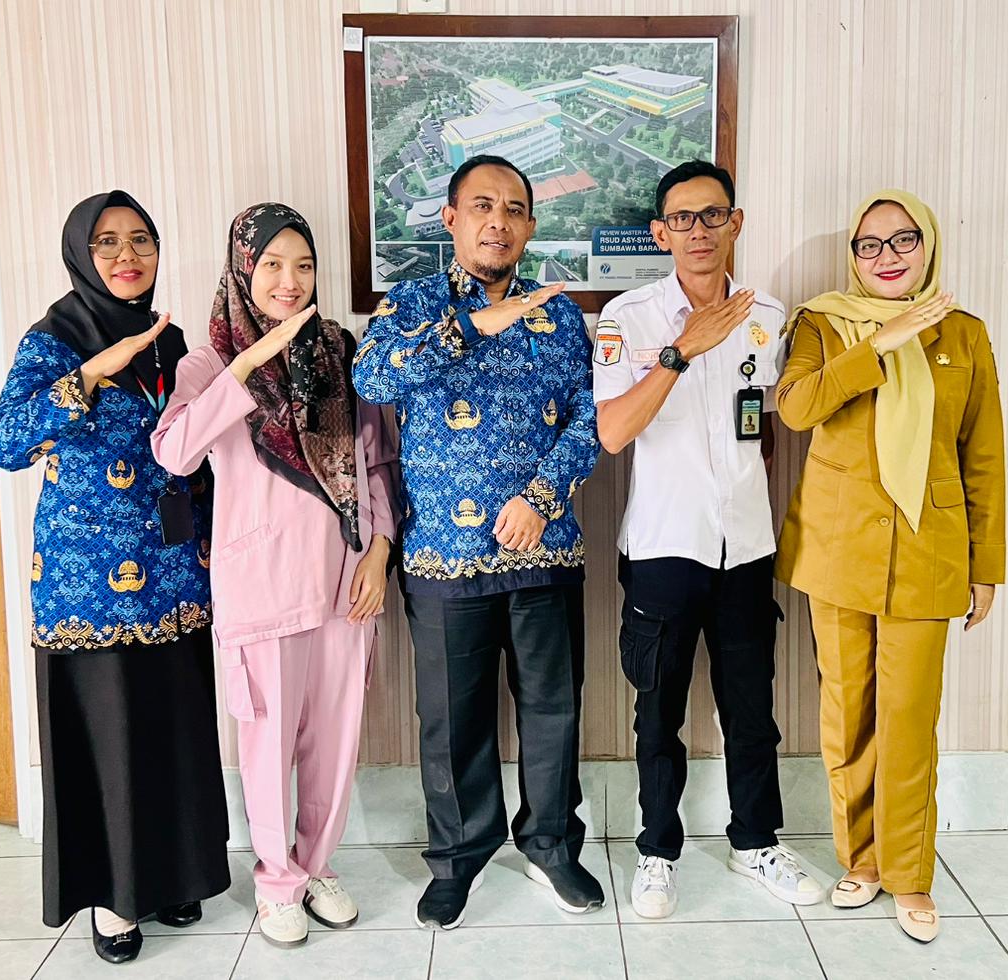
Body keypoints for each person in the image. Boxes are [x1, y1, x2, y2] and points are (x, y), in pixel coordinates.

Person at [353, 155, 603, 930]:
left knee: (552, 711)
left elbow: (590, 415)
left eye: (515, 208)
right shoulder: (411, 304)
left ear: (530, 224)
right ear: (451, 218)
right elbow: (372, 380)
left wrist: (540, 498)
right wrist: (468, 328)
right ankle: (458, 858)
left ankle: (552, 846)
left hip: (544, 548)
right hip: (443, 556)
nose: (499, 220)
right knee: (451, 720)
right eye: (483, 205)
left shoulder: (559, 314)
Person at [0, 191, 229, 965]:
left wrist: (215, 541)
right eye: (108, 242)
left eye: (141, 240)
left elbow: (197, 450)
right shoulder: (55, 339)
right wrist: (92, 373)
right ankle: (114, 898)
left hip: (174, 570)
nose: (128, 256)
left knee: (172, 728)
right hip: (86, 580)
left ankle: (175, 875)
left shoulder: (171, 340)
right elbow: (4, 442)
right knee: (109, 736)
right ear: (80, 255)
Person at [151, 203, 398, 949]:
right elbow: (174, 453)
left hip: (345, 581)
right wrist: (247, 367)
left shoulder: (341, 351)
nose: (290, 281)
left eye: (304, 265)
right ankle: (276, 881)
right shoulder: (207, 363)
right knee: (267, 747)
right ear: (243, 269)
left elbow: (375, 460)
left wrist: (379, 549)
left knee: (335, 740)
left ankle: (317, 866)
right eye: (272, 265)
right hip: (261, 582)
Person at [593, 160, 823, 919]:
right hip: (664, 543)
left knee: (751, 709)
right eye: (682, 219)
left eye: (713, 215)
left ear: (735, 223)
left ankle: (756, 841)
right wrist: (682, 349)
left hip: (746, 545)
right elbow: (614, 431)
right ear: (660, 233)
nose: (699, 231)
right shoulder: (628, 317)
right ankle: (658, 851)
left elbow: (760, 421)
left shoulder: (769, 315)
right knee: (658, 712)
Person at [775, 189, 1005, 943]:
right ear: (854, 256)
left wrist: (985, 565)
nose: (887, 256)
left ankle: (910, 873)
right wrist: (881, 343)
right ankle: (862, 859)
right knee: (849, 713)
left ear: (927, 244)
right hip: (838, 548)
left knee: (907, 717)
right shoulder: (822, 322)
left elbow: (983, 456)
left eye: (903, 239)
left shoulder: (964, 333)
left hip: (929, 548)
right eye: (870, 244)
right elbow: (797, 407)